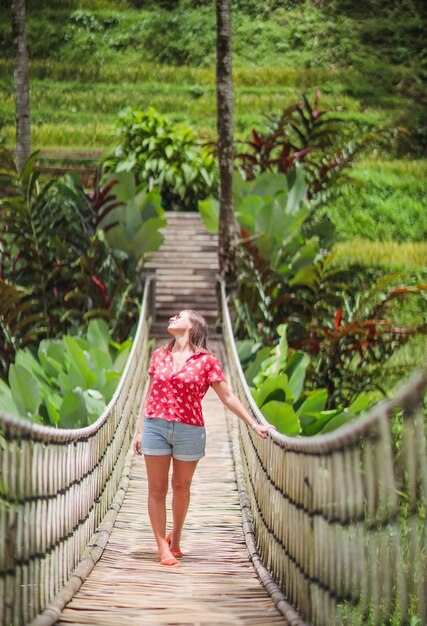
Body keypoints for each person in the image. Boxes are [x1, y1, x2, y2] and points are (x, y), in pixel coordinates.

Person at [132, 309, 275, 567]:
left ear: (193, 325)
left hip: (189, 430)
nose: (172, 318)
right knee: (156, 489)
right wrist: (140, 430)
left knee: (181, 487)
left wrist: (254, 424)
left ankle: (175, 539)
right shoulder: (159, 356)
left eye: (179, 316)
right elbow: (150, 394)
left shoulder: (207, 361)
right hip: (155, 426)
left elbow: (227, 396)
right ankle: (162, 548)